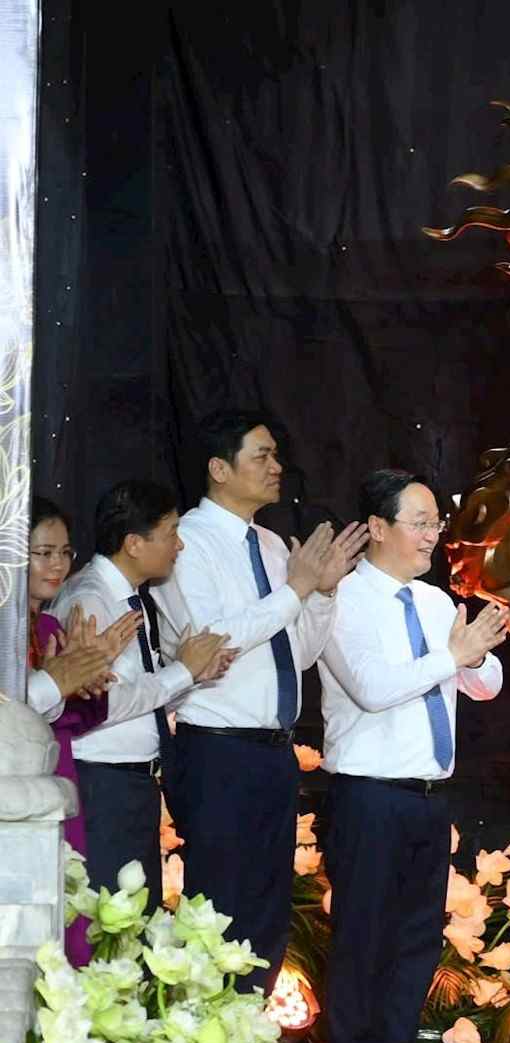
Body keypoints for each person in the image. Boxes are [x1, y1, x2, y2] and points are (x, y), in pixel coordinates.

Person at [150, 411, 366, 1004]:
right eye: (262, 457)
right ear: (220, 468)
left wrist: (320, 593)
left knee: (268, 913)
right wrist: (295, 589)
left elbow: (296, 655)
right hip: (217, 750)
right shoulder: (188, 541)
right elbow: (216, 638)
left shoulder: (272, 546)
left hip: (274, 750)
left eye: (277, 456)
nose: (277, 468)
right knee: (219, 908)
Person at [316, 470, 508, 1043]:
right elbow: (372, 687)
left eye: (434, 522)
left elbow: (486, 685)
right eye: (419, 521)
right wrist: (451, 656)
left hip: (428, 797)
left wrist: (474, 655)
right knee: (364, 940)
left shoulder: (432, 601)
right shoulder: (341, 598)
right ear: (377, 526)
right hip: (368, 796)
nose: (433, 534)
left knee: (416, 943)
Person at [50, 481, 231, 902]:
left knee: (132, 926)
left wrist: (193, 675)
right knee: (105, 927)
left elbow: (141, 695)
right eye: (170, 533)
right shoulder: (90, 600)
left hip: (131, 785)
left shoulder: (129, 598)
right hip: (101, 785)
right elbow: (102, 704)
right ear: (134, 543)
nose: (180, 545)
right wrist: (182, 671)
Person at [24, 496, 134, 962]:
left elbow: (79, 717)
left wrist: (91, 677)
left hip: (60, 777)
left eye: (65, 552)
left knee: (67, 911)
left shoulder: (49, 624)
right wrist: (56, 682)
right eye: (43, 552)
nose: (57, 565)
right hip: (18, 792)